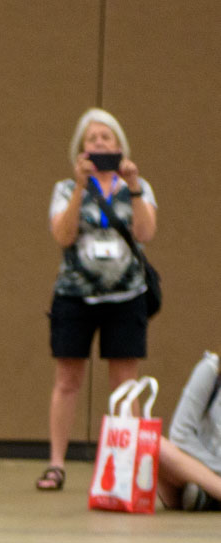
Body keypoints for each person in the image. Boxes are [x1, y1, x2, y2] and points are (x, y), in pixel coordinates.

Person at [37, 108, 158, 491]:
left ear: (120, 146)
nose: (100, 143)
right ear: (81, 149)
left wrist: (134, 185)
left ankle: (131, 465)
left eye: (107, 137)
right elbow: (63, 235)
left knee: (124, 381)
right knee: (67, 379)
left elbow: (146, 232)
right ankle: (57, 464)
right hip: (75, 295)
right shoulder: (63, 188)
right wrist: (78, 188)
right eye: (92, 139)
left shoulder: (138, 187)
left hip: (126, 296)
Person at [157, 351, 221, 511]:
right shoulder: (210, 370)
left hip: (201, 473)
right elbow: (180, 435)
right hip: (198, 463)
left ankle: (205, 494)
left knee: (187, 491)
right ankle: (209, 491)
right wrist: (209, 474)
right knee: (155, 445)